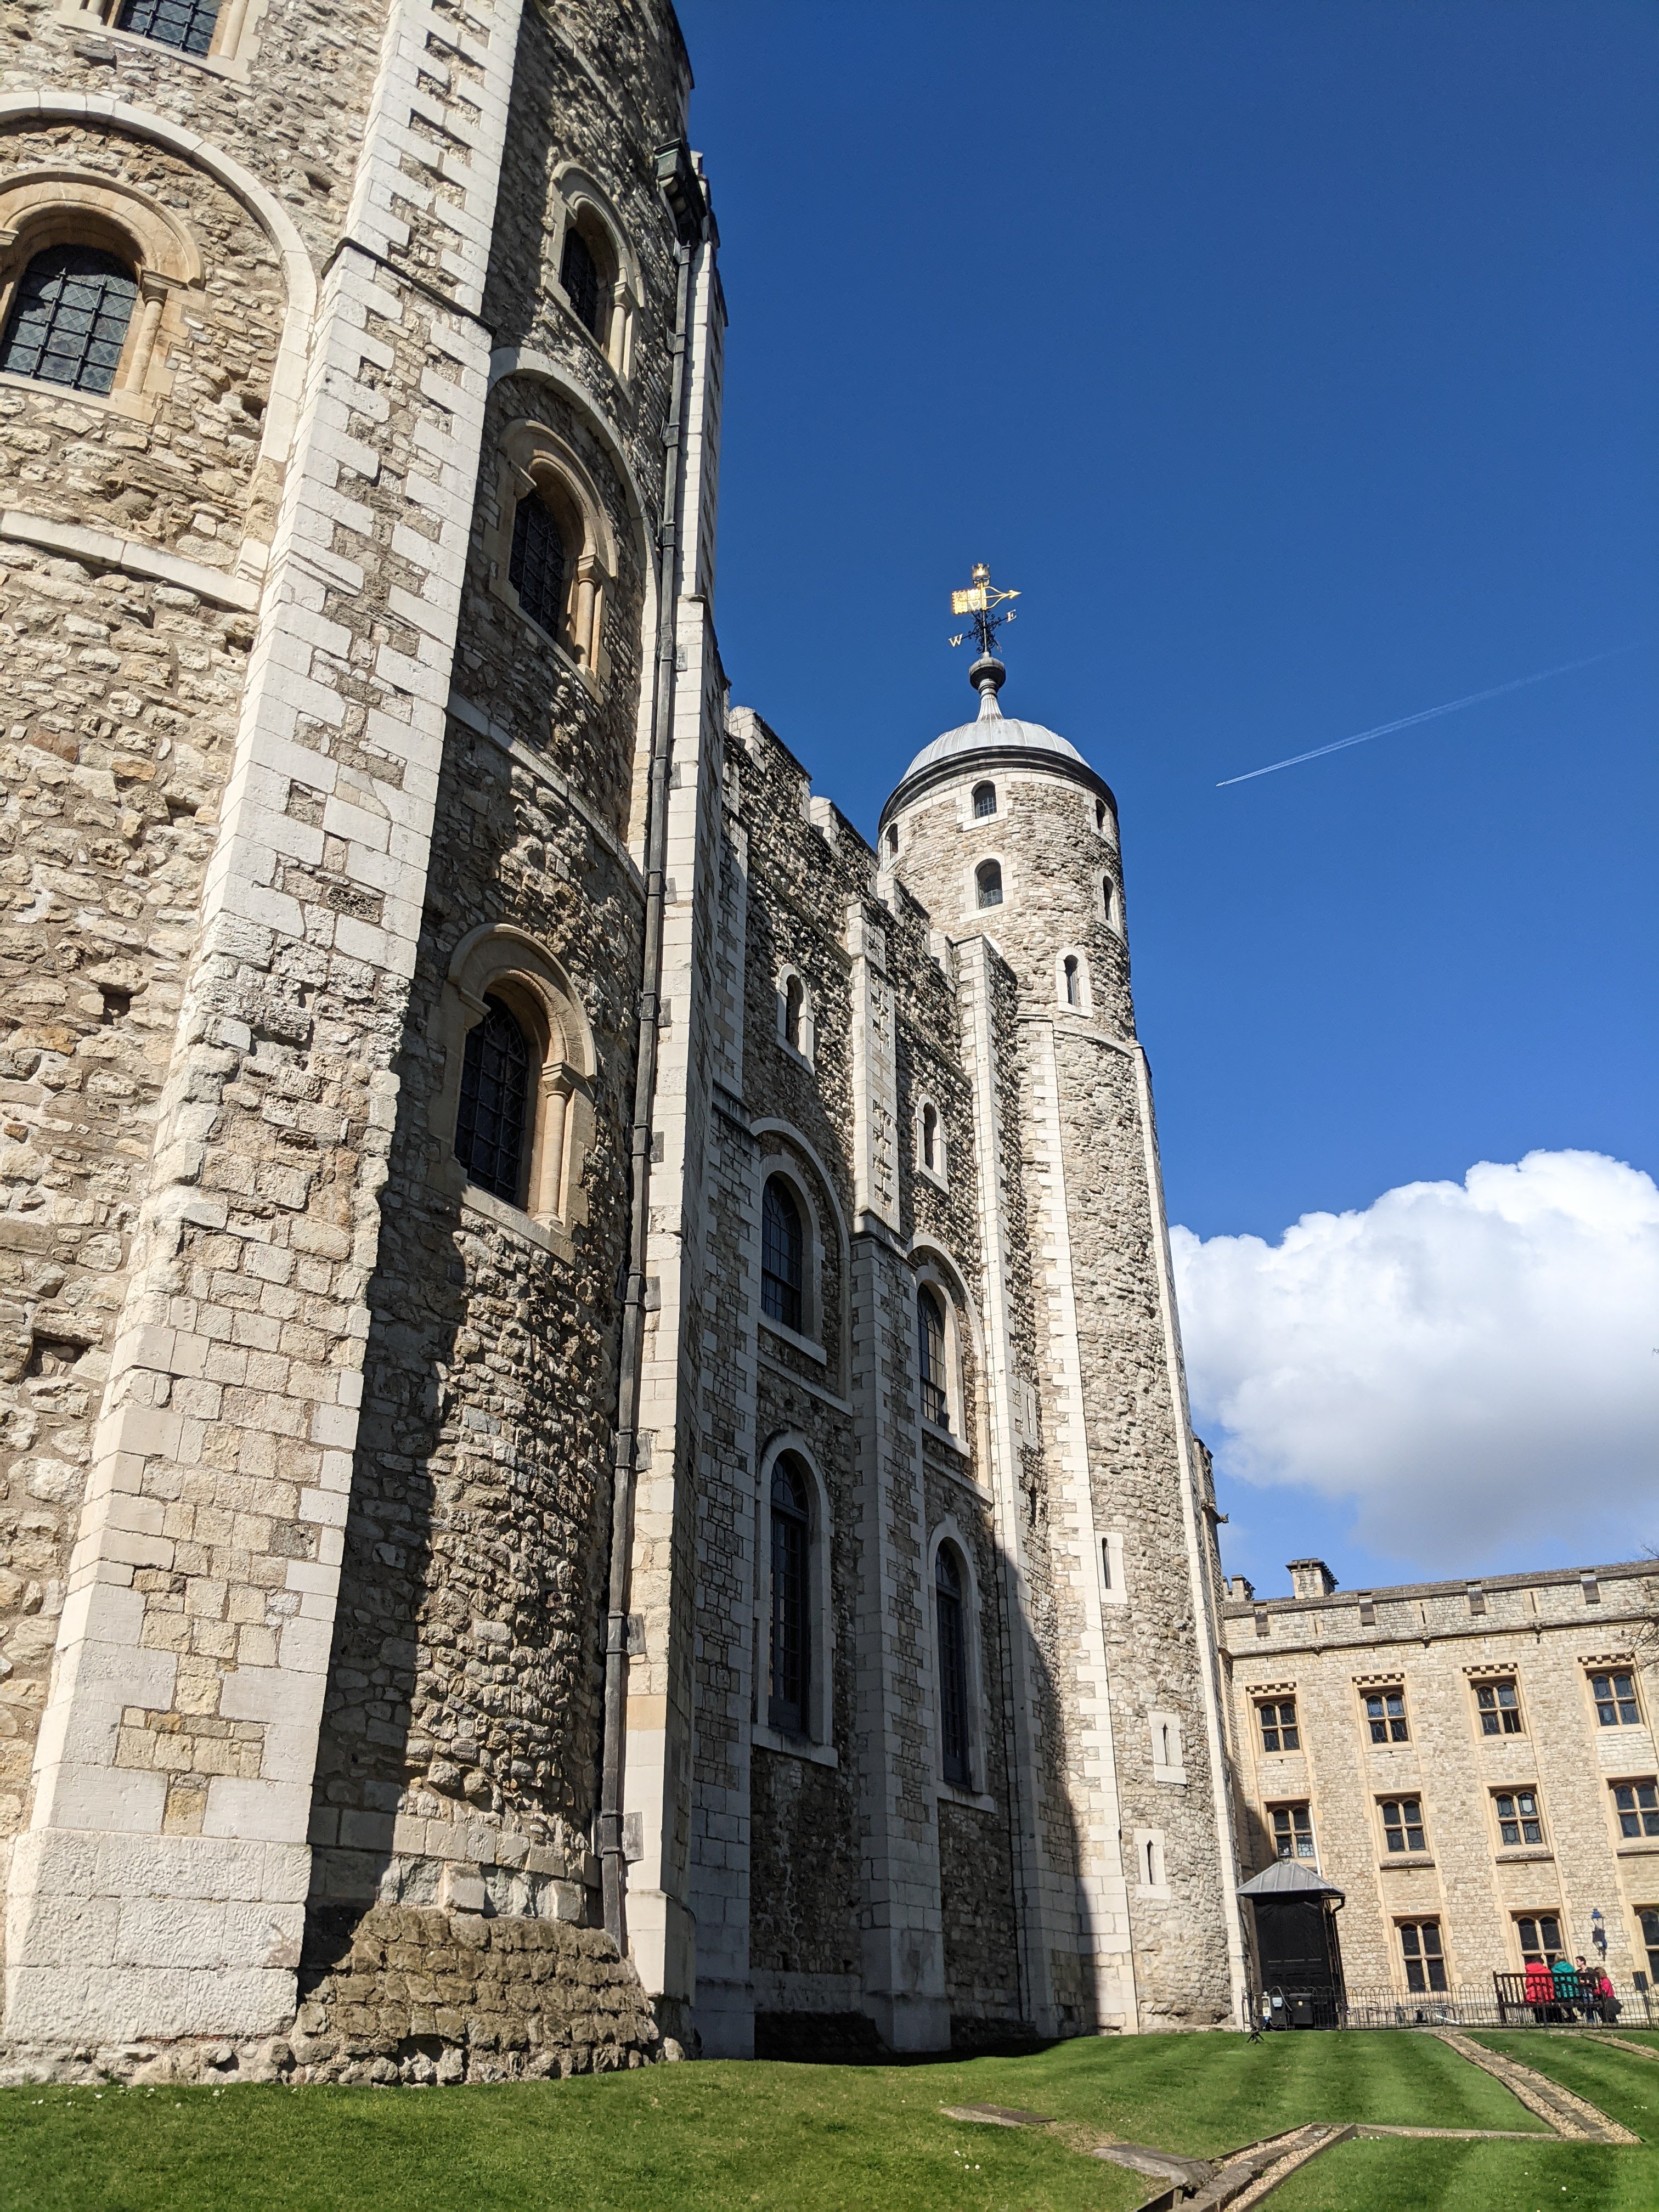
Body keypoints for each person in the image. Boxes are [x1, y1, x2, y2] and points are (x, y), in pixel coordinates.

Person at [1524, 1956, 1554, 2023]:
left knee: (1536, 2007)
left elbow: (1527, 1983)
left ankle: (1538, 2020)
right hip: (1545, 1994)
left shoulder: (1529, 1971)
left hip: (1533, 1994)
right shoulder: (1547, 1971)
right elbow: (1550, 1983)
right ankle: (1547, 2020)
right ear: (1541, 1963)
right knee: (1547, 2006)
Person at [1551, 1954, 1579, 2022]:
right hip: (1572, 1991)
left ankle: (1570, 2018)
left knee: (1558, 2002)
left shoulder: (1555, 1969)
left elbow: (1556, 1982)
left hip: (1562, 1992)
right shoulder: (1571, 1967)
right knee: (1567, 2004)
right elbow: (1575, 1980)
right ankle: (1572, 2017)